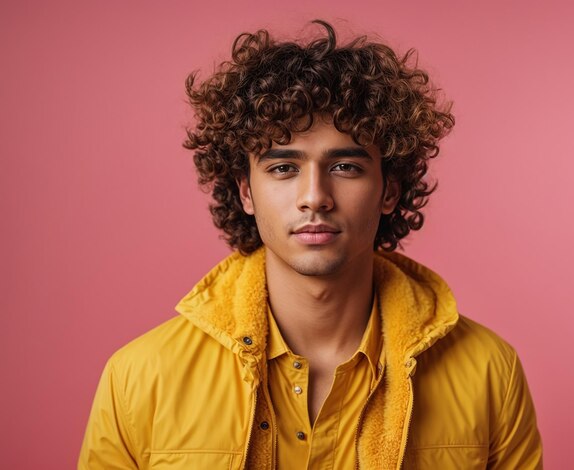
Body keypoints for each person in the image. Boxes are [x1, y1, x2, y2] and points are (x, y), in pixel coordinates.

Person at [79, 20, 543, 469]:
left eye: (345, 167)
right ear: (245, 191)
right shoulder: (140, 378)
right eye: (283, 168)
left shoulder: (489, 373)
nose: (314, 197)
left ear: (389, 191)